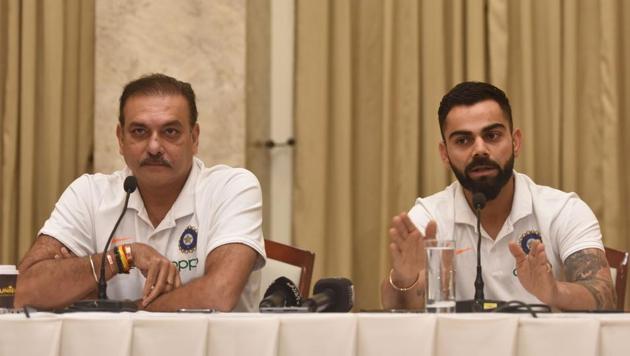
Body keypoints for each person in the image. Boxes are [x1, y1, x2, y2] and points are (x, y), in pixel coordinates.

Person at [14, 74, 265, 312]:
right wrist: (122, 257)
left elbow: (217, 294)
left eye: (170, 132)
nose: (154, 147)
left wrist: (121, 309)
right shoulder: (88, 194)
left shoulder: (232, 188)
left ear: (194, 137)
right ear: (120, 139)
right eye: (139, 132)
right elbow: (20, 292)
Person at [381, 81, 615, 311]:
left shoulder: (563, 210)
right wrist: (405, 278)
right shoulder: (430, 217)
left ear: (515, 142)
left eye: (492, 136)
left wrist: (553, 291)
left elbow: (604, 295)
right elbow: (398, 309)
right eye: (463, 140)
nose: (479, 149)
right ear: (445, 154)